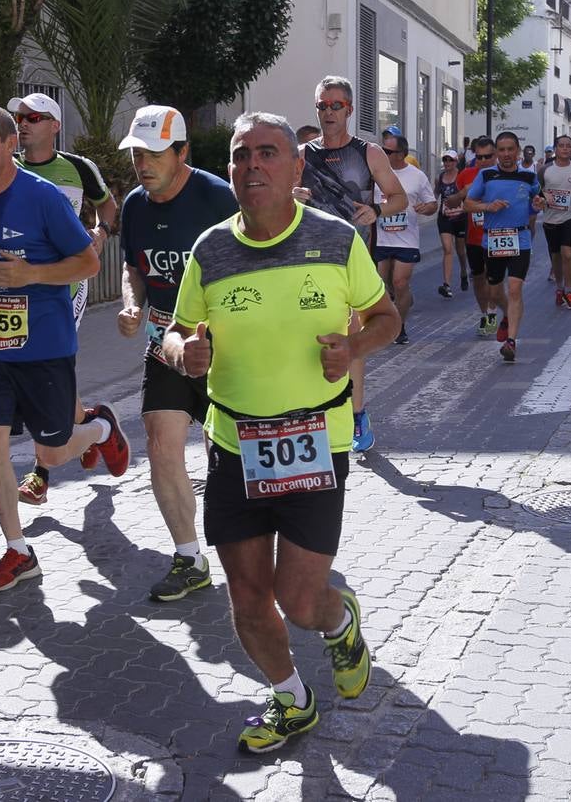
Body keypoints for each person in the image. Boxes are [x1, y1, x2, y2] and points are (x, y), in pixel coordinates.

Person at [163, 111, 400, 754]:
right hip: (236, 446)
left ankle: (340, 619)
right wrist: (183, 350)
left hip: (315, 443)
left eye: (268, 153)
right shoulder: (209, 249)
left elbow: (386, 317)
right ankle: (292, 698)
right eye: (241, 156)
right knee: (246, 596)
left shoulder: (335, 240)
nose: (252, 166)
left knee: (298, 598)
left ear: (297, 168)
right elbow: (175, 329)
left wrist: (351, 347)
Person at [0, 106, 129, 592]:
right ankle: (18, 550)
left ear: (8, 146)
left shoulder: (43, 199)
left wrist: (32, 274)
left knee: (53, 450)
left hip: (45, 345)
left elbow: (87, 262)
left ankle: (101, 427)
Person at [116, 105, 239, 601]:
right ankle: (189, 557)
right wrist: (130, 305)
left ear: (182, 152)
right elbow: (135, 268)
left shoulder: (217, 198)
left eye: (153, 154)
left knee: (225, 457)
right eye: (136, 155)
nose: (142, 164)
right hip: (164, 342)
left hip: (222, 348)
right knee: (162, 444)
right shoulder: (134, 205)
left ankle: (246, 549)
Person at [7, 92, 121, 470]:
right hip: (15, 290)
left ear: (55, 126)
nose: (23, 123)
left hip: (66, 286)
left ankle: (42, 470)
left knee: (49, 365)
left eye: (33, 117)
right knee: (46, 370)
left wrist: (100, 232)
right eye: (19, 117)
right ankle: (91, 426)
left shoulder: (78, 167)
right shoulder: (6, 168)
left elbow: (108, 204)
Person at [299, 75, 407, 454]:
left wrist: (375, 209)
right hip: (308, 258)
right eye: (322, 106)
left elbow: (399, 198)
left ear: (348, 109)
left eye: (335, 106)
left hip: (353, 257)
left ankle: (357, 413)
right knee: (312, 333)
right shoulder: (302, 154)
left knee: (350, 333)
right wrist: (291, 196)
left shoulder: (369, 153)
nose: (328, 112)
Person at [465, 132, 543, 362]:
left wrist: (539, 204)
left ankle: (511, 342)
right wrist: (488, 206)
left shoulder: (529, 177)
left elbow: (538, 200)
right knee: (495, 292)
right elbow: (468, 203)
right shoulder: (486, 175)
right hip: (494, 239)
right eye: (502, 150)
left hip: (520, 238)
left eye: (511, 149)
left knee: (516, 288)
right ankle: (508, 314)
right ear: (497, 152)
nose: (506, 154)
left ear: (518, 151)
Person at [372, 133, 439, 344]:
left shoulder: (417, 176)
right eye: (383, 150)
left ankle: (398, 327)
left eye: (388, 151)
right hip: (381, 238)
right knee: (382, 286)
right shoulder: (374, 173)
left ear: (402, 154)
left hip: (406, 239)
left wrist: (426, 208)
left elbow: (432, 204)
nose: (384, 154)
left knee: (400, 283)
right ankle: (396, 306)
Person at [452, 137, 501, 336]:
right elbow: (454, 202)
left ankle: (491, 313)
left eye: (488, 156)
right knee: (479, 278)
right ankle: (484, 314)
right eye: (479, 157)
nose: (483, 161)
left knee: (493, 278)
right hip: (474, 237)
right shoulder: (465, 175)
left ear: (495, 155)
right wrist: (460, 196)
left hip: (497, 235)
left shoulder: (504, 175)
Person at [537, 135, 571, 310]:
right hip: (551, 218)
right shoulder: (544, 170)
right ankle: (559, 288)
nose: (565, 149)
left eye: (568, 146)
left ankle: (569, 290)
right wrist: (539, 201)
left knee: (567, 253)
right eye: (562, 146)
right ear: (556, 148)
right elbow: (537, 192)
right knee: (556, 257)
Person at [434, 148, 470, 298]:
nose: (447, 163)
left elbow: (468, 195)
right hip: (445, 218)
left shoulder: (461, 177)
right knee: (447, 249)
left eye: (450, 160)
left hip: (460, 218)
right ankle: (446, 285)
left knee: (460, 250)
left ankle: (463, 271)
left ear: (456, 162)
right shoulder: (440, 177)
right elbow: (435, 194)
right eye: (445, 160)